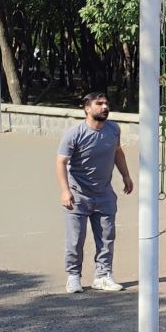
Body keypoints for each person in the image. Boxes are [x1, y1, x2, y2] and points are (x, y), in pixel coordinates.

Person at [55, 92, 134, 293]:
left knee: (107, 237)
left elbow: (117, 151)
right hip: (78, 195)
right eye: (99, 104)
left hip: (104, 194)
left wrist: (126, 175)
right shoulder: (74, 134)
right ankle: (73, 276)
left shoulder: (113, 129)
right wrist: (65, 191)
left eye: (106, 103)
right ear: (87, 109)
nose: (105, 107)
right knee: (75, 239)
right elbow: (61, 162)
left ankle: (103, 276)